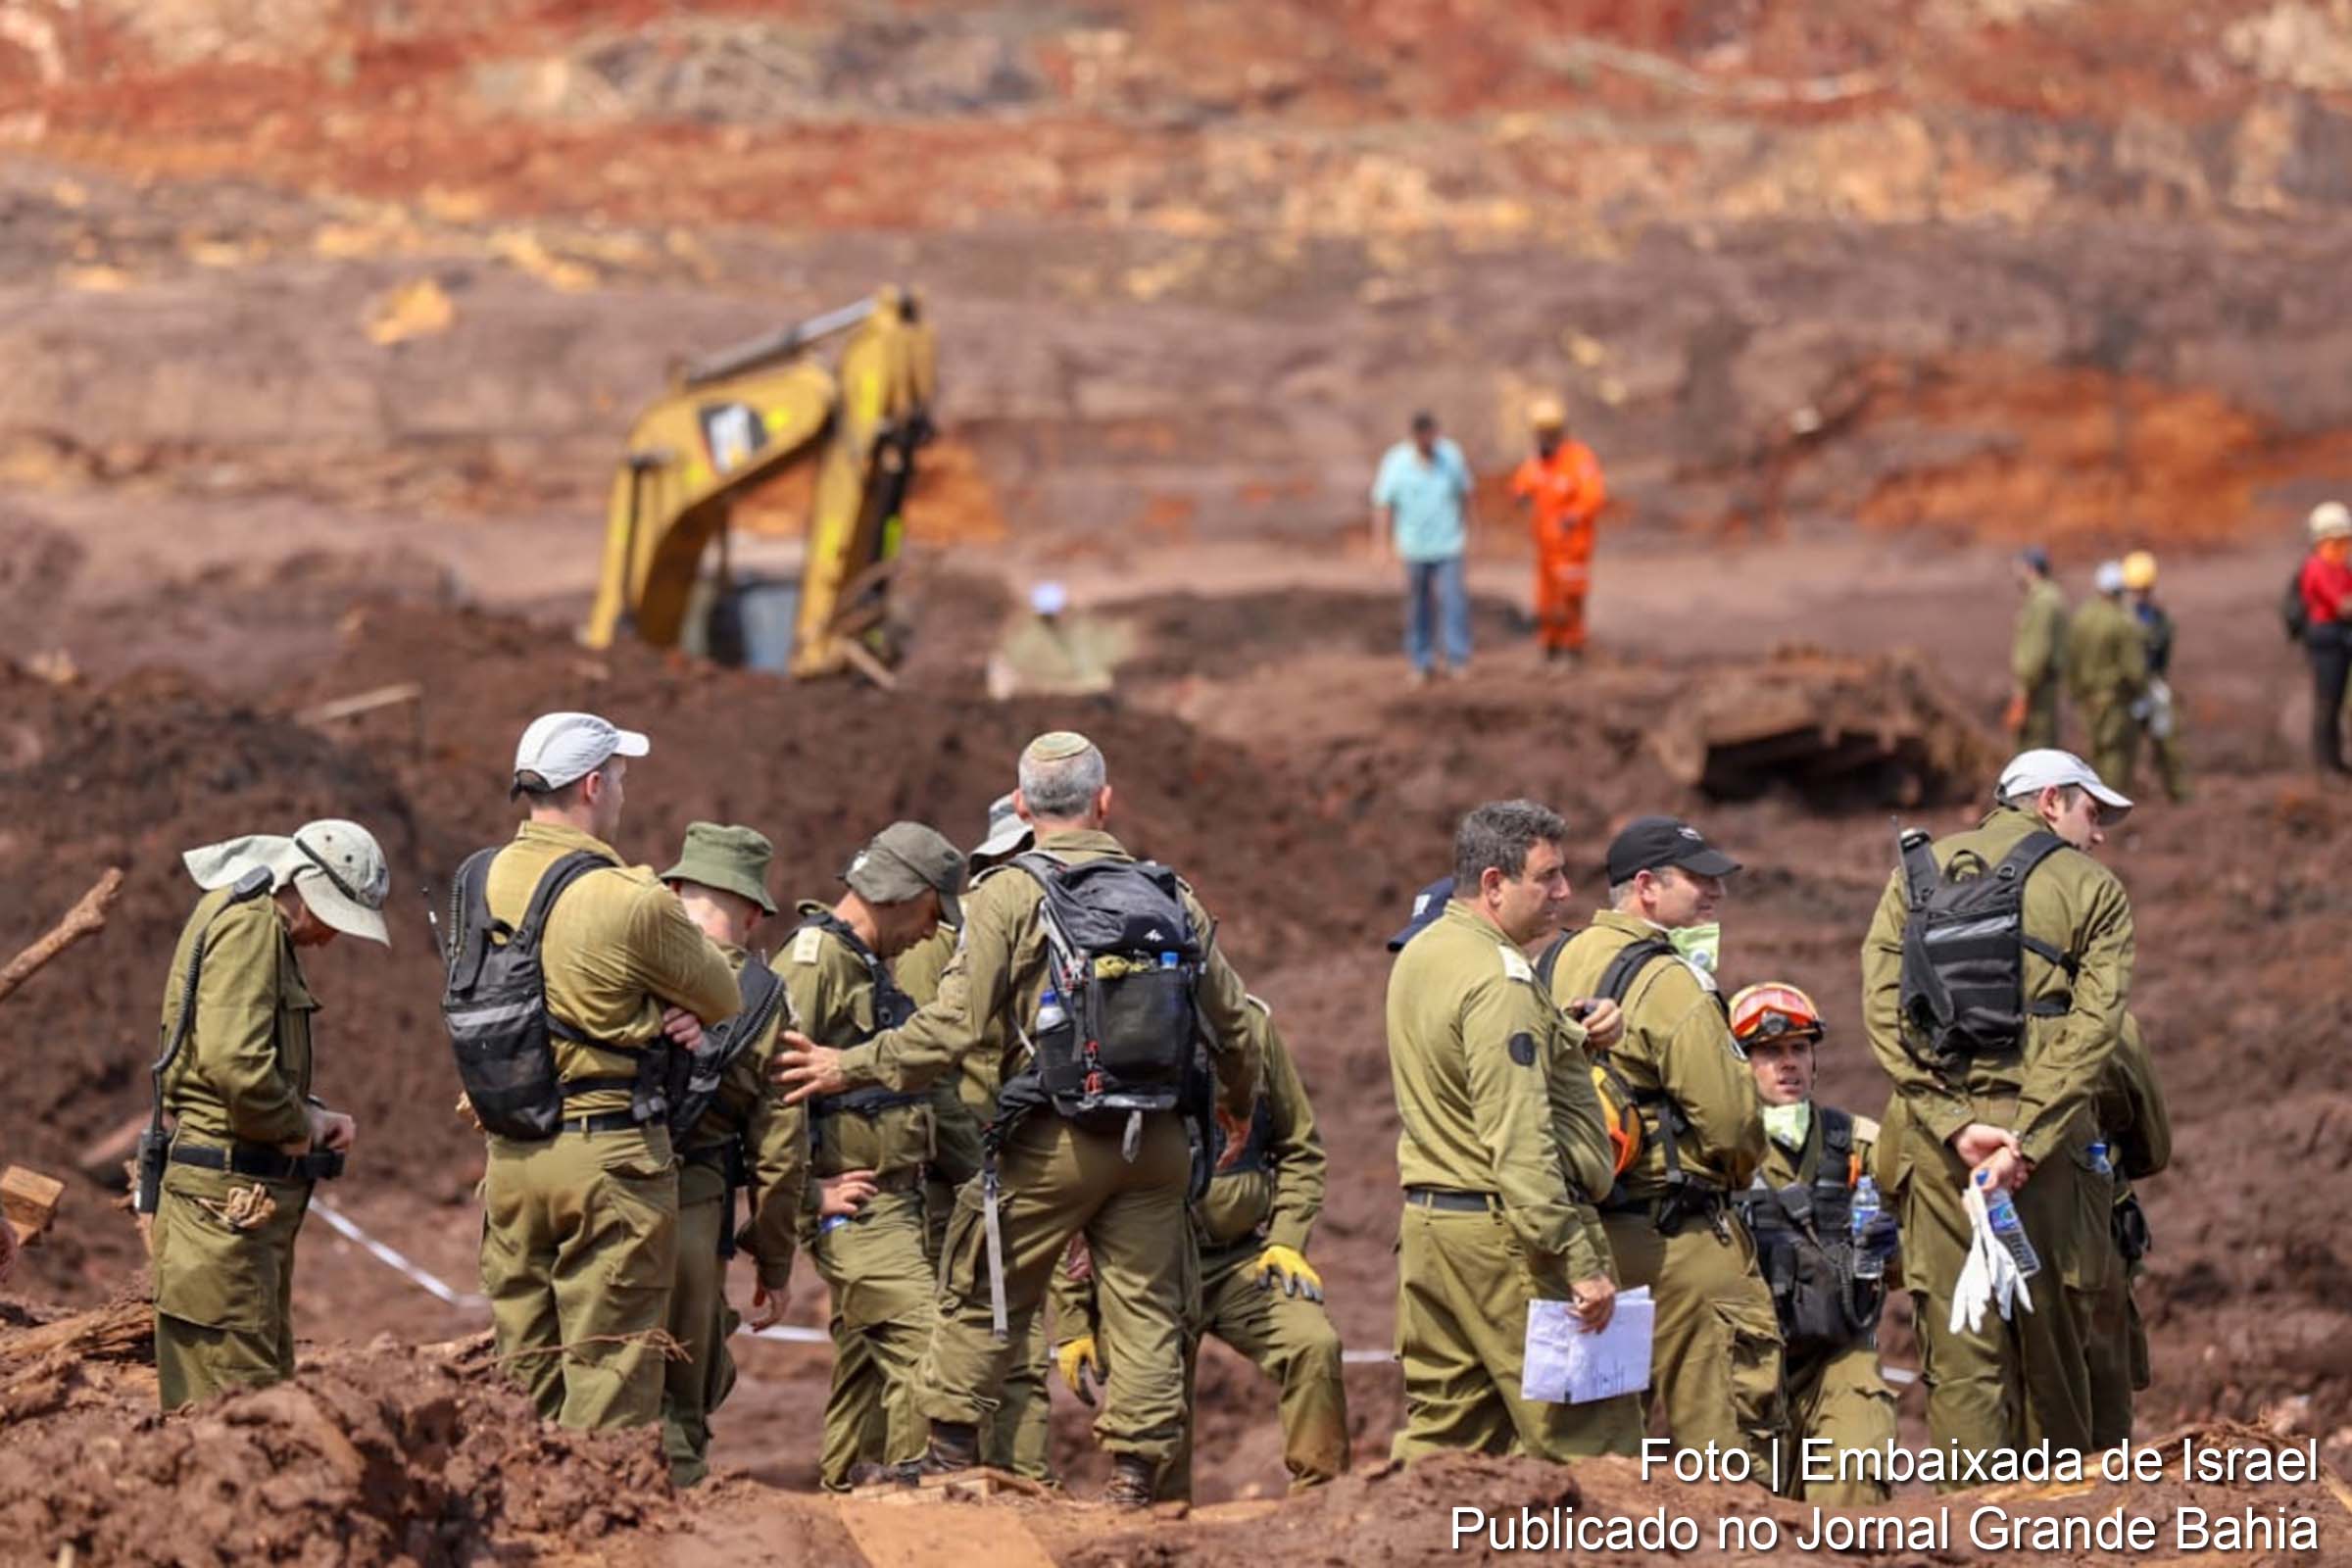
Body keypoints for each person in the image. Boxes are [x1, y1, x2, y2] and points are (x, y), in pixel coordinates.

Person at [773, 732, 1260, 1506]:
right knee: (1144, 1303)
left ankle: (947, 1452)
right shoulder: (1172, 894)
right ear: (1107, 802)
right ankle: (1135, 1479)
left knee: (983, 1276)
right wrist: (1235, 1103)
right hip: (1160, 1140)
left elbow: (954, 1028)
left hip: (1059, 1134)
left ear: (1025, 807)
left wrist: (849, 1065)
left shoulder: (1008, 892)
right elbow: (1233, 1022)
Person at [1860, 748, 2135, 1467]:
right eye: (2091, 811)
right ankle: (2064, 1528)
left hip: (1937, 1152)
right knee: (2056, 1351)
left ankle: (1970, 1531)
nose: (2098, 831)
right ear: (2049, 801)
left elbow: (1883, 1014)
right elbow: (2095, 1030)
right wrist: (2029, 1142)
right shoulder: (2094, 889)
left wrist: (1952, 1125)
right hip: (2047, 1154)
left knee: (1959, 1357)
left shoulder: (1911, 876)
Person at [471, 711, 741, 1431]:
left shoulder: (480, 880)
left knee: (523, 1378)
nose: (622, 793)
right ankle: (595, 1539)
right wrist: (659, 1004)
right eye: (619, 779)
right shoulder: (628, 897)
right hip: (608, 1158)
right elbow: (722, 994)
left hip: (510, 1153)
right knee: (610, 1373)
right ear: (592, 785)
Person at [1386, 801, 1640, 1461]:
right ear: (1494, 884)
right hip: (1508, 1240)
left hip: (1433, 1230)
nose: (1564, 893)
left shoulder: (1425, 952)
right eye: (1547, 877)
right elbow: (1518, 1139)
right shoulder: (1500, 983)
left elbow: (1467, 1077)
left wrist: (1572, 1036)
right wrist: (1578, 1263)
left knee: (1446, 1449)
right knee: (1590, 1441)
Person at [1540, 815, 1782, 1472]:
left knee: (1596, 1466)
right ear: (1646, 887)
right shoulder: (1669, 979)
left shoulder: (1550, 962)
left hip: (1582, 1247)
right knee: (1731, 1453)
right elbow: (1732, 1124)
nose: (1717, 894)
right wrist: (1737, 1172)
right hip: (1679, 1241)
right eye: (1699, 880)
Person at [1054, 994, 1349, 1497]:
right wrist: (1073, 1319)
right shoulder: (1105, 1035)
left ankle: (1322, 1504)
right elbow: (1075, 1187)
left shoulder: (1249, 1029)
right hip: (1148, 1269)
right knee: (1154, 1419)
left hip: (1243, 1261)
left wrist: (1286, 1243)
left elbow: (1299, 1149)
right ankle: (1158, 1531)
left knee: (1313, 1345)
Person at [150, 819, 391, 1409]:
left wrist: (307, 1111)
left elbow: (234, 1061)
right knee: (235, 1414)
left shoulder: (255, 921)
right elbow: (235, 1064)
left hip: (234, 1212)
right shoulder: (252, 927)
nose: (332, 938)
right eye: (334, 916)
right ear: (306, 887)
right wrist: (295, 1126)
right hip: (223, 1213)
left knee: (254, 1397)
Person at [783, 821, 968, 1490]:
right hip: (858, 1210)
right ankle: (920, 1510)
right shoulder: (816, 964)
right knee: (928, 1347)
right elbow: (767, 1097)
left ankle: (840, 1513)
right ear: (905, 893)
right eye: (931, 912)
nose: (930, 932)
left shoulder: (864, 965)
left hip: (896, 1202)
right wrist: (808, 1196)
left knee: (865, 1366)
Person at [891, 794, 1054, 1486]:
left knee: (1011, 1340)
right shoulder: (944, 942)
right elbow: (924, 1067)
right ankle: (941, 1490)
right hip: (958, 1173)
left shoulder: (1058, 938)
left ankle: (1019, 1488)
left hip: (1011, 1166)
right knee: (963, 1334)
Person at [656, 822, 814, 1487]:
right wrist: (773, 1262)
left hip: (589, 1191)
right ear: (752, 913)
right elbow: (781, 1156)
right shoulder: (765, 1001)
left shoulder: (625, 961)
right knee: (680, 1398)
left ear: (673, 890)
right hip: (693, 1207)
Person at [1727, 982, 1898, 1507]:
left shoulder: (1860, 1143)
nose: (1788, 1065)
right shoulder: (1716, 1153)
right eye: (1769, 1052)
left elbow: (1909, 1265)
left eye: (1799, 1049)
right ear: (1738, 1063)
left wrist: (1889, 1247)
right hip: (1744, 1373)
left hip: (1836, 1353)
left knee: (1854, 1484)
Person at [2085, 1013, 2168, 1447]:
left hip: (1974, 1235)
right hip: (2088, 1234)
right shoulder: (2107, 1022)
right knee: (2100, 1434)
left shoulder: (1940, 1009)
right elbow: (2153, 1150)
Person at [1370, 411, 1475, 685]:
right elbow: (1383, 503)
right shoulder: (1396, 462)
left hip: (1449, 544)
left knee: (1453, 601)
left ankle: (1457, 659)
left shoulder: (1451, 457)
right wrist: (1382, 545)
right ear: (1414, 436)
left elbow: (1464, 496)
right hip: (1414, 547)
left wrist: (1469, 533)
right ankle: (1421, 661)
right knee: (1418, 605)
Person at [1509, 396, 1607, 665]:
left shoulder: (1578, 459)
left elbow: (1593, 496)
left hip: (1572, 546)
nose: (1544, 438)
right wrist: (1520, 494)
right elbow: (1522, 483)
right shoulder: (1538, 462)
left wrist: (1572, 516)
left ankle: (1573, 647)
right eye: (1540, 433)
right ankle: (1550, 646)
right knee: (1546, 599)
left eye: (1548, 433)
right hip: (1545, 546)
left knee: (1571, 597)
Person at [2065, 562, 2148, 794]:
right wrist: (2142, 694)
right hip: (2115, 704)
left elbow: (2070, 659)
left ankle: (2090, 806)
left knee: (2093, 754)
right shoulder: (2122, 621)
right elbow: (2135, 670)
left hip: (2087, 702)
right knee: (2116, 756)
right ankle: (2109, 807)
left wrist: (2075, 693)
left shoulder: (2082, 616)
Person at [2120, 551, 2188, 803]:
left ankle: (2177, 792)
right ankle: (2124, 792)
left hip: (2149, 683)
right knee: (2125, 744)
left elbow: (2163, 650)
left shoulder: (2159, 617)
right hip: (2127, 687)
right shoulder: (2120, 616)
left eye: (2143, 590)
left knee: (2165, 738)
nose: (2139, 595)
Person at [2299, 500, 2352, 776]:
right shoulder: (2316, 567)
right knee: (2326, 702)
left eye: (2345, 541)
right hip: (2325, 638)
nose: (2343, 548)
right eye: (2337, 542)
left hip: (2341, 637)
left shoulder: (2342, 568)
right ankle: (2324, 764)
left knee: (2339, 700)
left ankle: (2337, 761)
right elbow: (2340, 604)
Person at [2006, 547, 2068, 749]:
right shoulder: (2044, 597)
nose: (2016, 573)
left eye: (2019, 567)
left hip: (2037, 692)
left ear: (2030, 568)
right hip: (2038, 687)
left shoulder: (2043, 601)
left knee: (2034, 752)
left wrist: (2023, 693)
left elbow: (2038, 653)